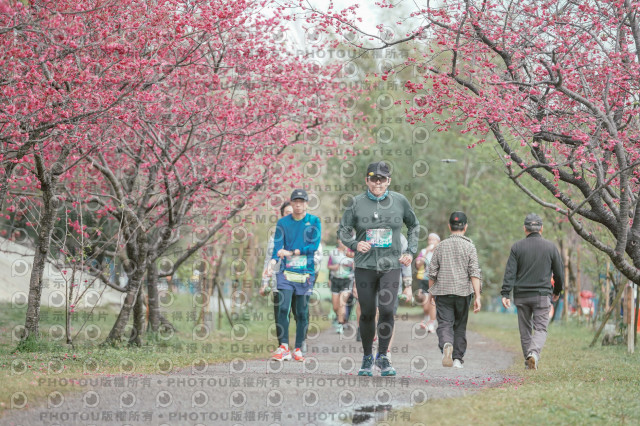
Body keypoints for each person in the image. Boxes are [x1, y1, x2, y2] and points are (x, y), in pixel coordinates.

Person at [338, 161, 419, 376]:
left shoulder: (400, 201)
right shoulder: (356, 203)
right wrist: (355, 244)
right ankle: (367, 358)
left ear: (388, 181)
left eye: (382, 179)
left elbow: (414, 225)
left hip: (390, 266)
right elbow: (343, 230)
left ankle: (383, 357)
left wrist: (410, 251)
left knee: (387, 309)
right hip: (365, 266)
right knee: (366, 312)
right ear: (367, 180)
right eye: (373, 179)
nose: (378, 183)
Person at [500, 213, 564, 370]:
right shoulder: (550, 247)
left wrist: (506, 293)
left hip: (521, 296)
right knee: (541, 328)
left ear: (525, 228)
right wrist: (557, 291)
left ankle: (529, 361)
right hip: (542, 295)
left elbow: (510, 272)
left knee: (525, 331)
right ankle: (533, 354)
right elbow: (559, 273)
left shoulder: (517, 247)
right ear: (541, 228)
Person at [266, 189, 321, 362]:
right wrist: (271, 264)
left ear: (306, 204)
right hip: (286, 273)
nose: (298, 205)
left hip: (305, 273)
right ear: (291, 203)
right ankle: (283, 346)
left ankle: (298, 348)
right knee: (283, 308)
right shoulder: (283, 222)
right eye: (295, 202)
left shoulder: (314, 221)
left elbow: (313, 246)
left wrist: (292, 252)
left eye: (301, 202)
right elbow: (277, 248)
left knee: (302, 312)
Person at [428, 211, 481, 369]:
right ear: (465, 227)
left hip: (443, 291)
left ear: (449, 226)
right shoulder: (470, 246)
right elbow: (474, 272)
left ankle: (446, 343)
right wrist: (478, 296)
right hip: (463, 293)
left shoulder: (440, 246)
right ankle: (457, 359)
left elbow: (432, 272)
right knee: (460, 325)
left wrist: (431, 292)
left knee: (445, 323)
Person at [260, 201, 294, 348]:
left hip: (297, 281)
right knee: (280, 313)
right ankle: (283, 346)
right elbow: (268, 260)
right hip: (278, 281)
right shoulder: (275, 237)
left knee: (298, 312)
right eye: (287, 213)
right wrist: (264, 282)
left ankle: (300, 343)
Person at [414, 233, 441, 333]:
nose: (431, 242)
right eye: (429, 240)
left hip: (436, 281)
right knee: (426, 306)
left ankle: (431, 324)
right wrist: (426, 252)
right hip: (425, 280)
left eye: (433, 240)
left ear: (438, 242)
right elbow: (418, 265)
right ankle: (427, 319)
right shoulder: (423, 251)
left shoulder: (441, 252)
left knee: (432, 303)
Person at [327, 240, 355, 334]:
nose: (342, 243)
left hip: (347, 280)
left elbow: (356, 266)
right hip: (335, 280)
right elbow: (329, 266)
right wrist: (334, 267)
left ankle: (340, 324)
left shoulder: (352, 253)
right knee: (335, 307)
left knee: (342, 303)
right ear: (338, 241)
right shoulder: (333, 252)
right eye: (341, 241)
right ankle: (340, 318)